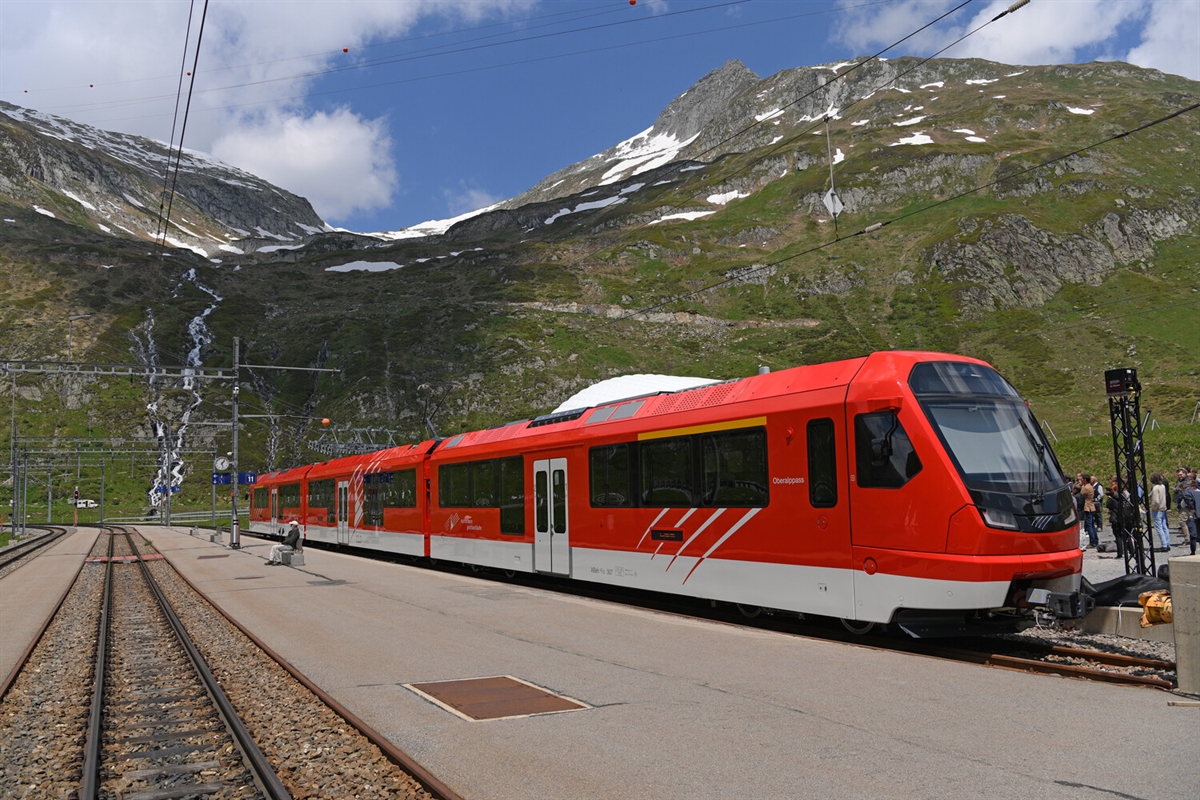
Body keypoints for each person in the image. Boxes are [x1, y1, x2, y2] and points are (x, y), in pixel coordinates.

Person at [1149, 473, 1170, 552]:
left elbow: (1156, 501)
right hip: (1163, 508)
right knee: (1164, 526)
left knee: (1158, 527)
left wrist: (1153, 508)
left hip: (1157, 509)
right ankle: (1167, 544)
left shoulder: (1155, 488)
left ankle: (1164, 545)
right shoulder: (1162, 486)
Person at [1080, 474, 1098, 549]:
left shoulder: (1086, 488)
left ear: (1084, 480)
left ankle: (1093, 541)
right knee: (1092, 524)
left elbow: (1080, 494)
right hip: (1091, 506)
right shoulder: (1090, 486)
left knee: (1089, 525)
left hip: (1087, 507)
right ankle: (1095, 540)